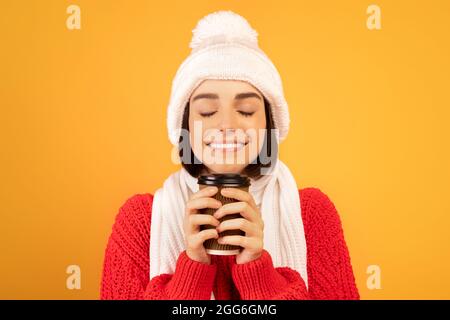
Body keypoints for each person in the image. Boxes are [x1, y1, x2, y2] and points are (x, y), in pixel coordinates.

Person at [100, 10, 359, 300]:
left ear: (268, 125)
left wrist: (259, 275)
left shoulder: (311, 213)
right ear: (183, 127)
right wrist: (193, 270)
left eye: (246, 111)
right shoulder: (141, 221)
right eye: (207, 112)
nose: (226, 125)